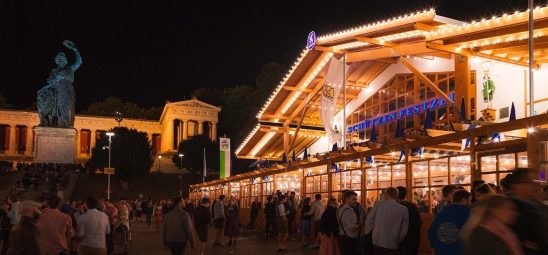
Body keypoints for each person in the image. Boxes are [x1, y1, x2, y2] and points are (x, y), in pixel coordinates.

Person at [506, 168, 547, 254]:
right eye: (530, 183)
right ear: (517, 185)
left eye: (537, 182)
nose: (536, 186)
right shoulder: (508, 207)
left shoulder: (539, 206)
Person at [365, 187, 409, 255]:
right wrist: (399, 239)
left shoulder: (378, 205)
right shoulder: (403, 209)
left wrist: (369, 233)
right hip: (393, 242)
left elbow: (369, 220)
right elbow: (404, 229)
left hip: (377, 240)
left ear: (387, 195)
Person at [428, 189, 471, 255]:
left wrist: (433, 247)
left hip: (441, 249)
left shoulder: (443, 212)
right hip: (460, 250)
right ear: (464, 199)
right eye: (469, 200)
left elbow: (432, 231)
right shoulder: (469, 214)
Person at [395, 186, 421, 255]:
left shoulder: (398, 207)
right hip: (415, 237)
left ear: (396, 195)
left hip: (404, 240)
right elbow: (420, 222)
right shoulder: (413, 205)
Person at [337, 190, 362, 255]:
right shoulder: (349, 211)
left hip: (342, 237)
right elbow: (351, 227)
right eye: (353, 199)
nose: (355, 201)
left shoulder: (340, 209)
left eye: (356, 199)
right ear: (347, 199)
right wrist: (359, 224)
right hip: (349, 238)